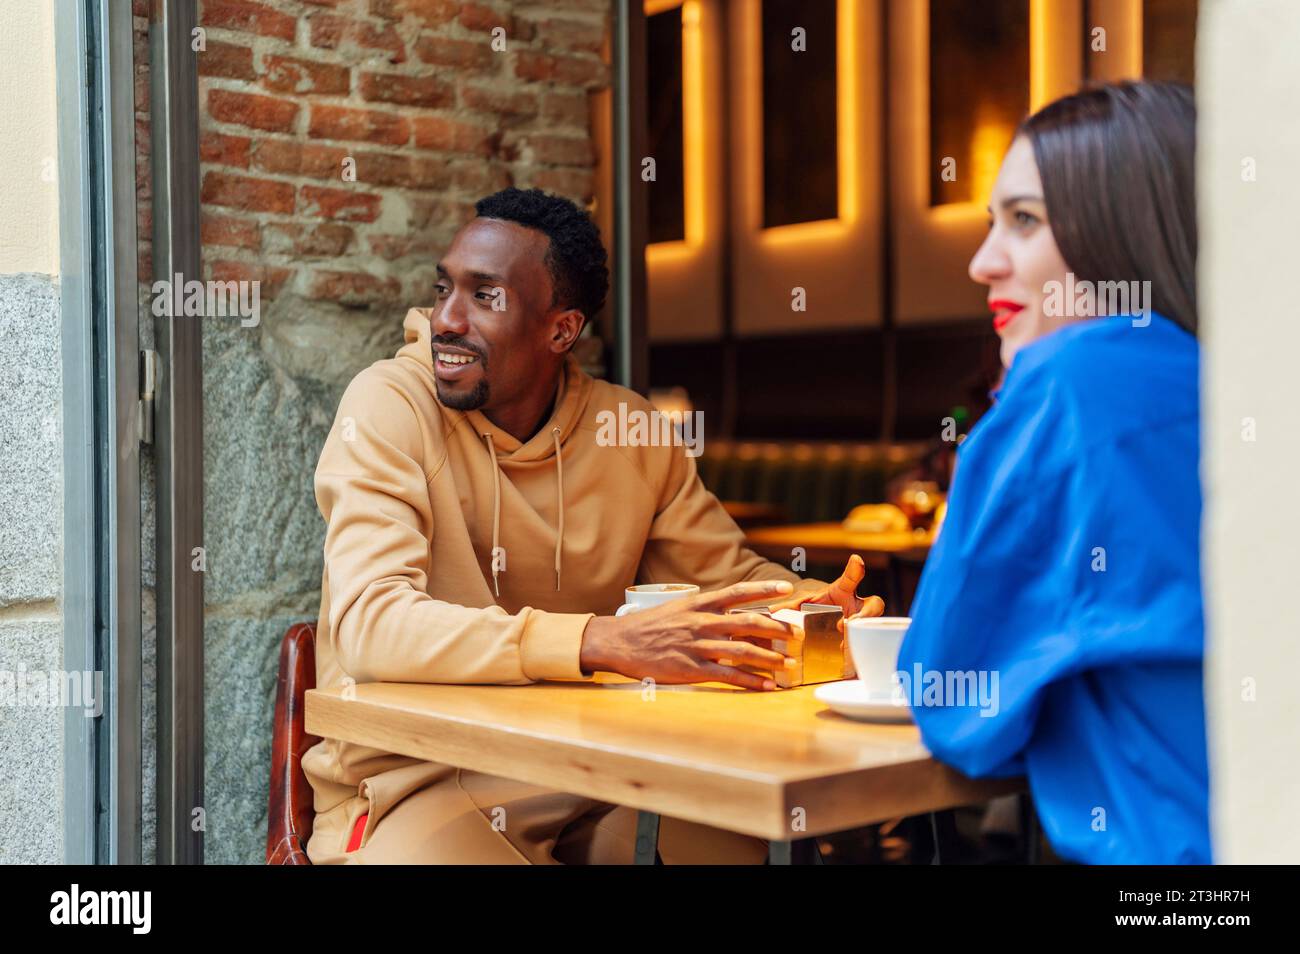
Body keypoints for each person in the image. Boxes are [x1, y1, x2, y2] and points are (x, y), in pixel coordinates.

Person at [304, 187, 883, 864]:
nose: (447, 319)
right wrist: (602, 641)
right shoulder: (387, 403)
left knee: (745, 841)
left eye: (484, 296)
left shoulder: (630, 430)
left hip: (596, 771)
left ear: (561, 329)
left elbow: (729, 580)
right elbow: (373, 626)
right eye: (444, 289)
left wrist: (808, 609)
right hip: (415, 777)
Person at [896, 81, 1209, 863]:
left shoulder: (1072, 379)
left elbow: (951, 706)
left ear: (1122, 229)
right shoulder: (1237, 381)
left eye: (1025, 221)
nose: (982, 262)